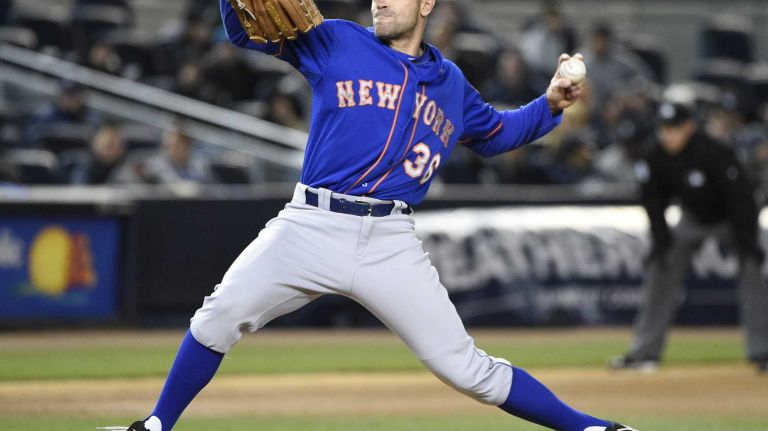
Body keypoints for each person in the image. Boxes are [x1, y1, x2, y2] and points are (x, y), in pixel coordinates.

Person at [112, 1, 637, 431]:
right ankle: (157, 424)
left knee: (467, 370)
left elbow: (498, 135)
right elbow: (244, 32)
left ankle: (592, 429)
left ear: (426, 4)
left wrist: (549, 103)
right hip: (311, 224)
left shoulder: (449, 83)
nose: (380, 1)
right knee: (219, 314)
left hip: (391, 239)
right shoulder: (336, 40)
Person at [610, 102, 768, 374]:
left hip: (733, 218)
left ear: (689, 127)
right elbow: (653, 201)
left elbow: (740, 200)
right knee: (661, 269)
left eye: (674, 128)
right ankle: (644, 353)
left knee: (753, 271)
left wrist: (748, 243)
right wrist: (661, 241)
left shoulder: (713, 151)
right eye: (663, 129)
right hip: (692, 218)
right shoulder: (655, 154)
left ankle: (762, 351)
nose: (668, 135)